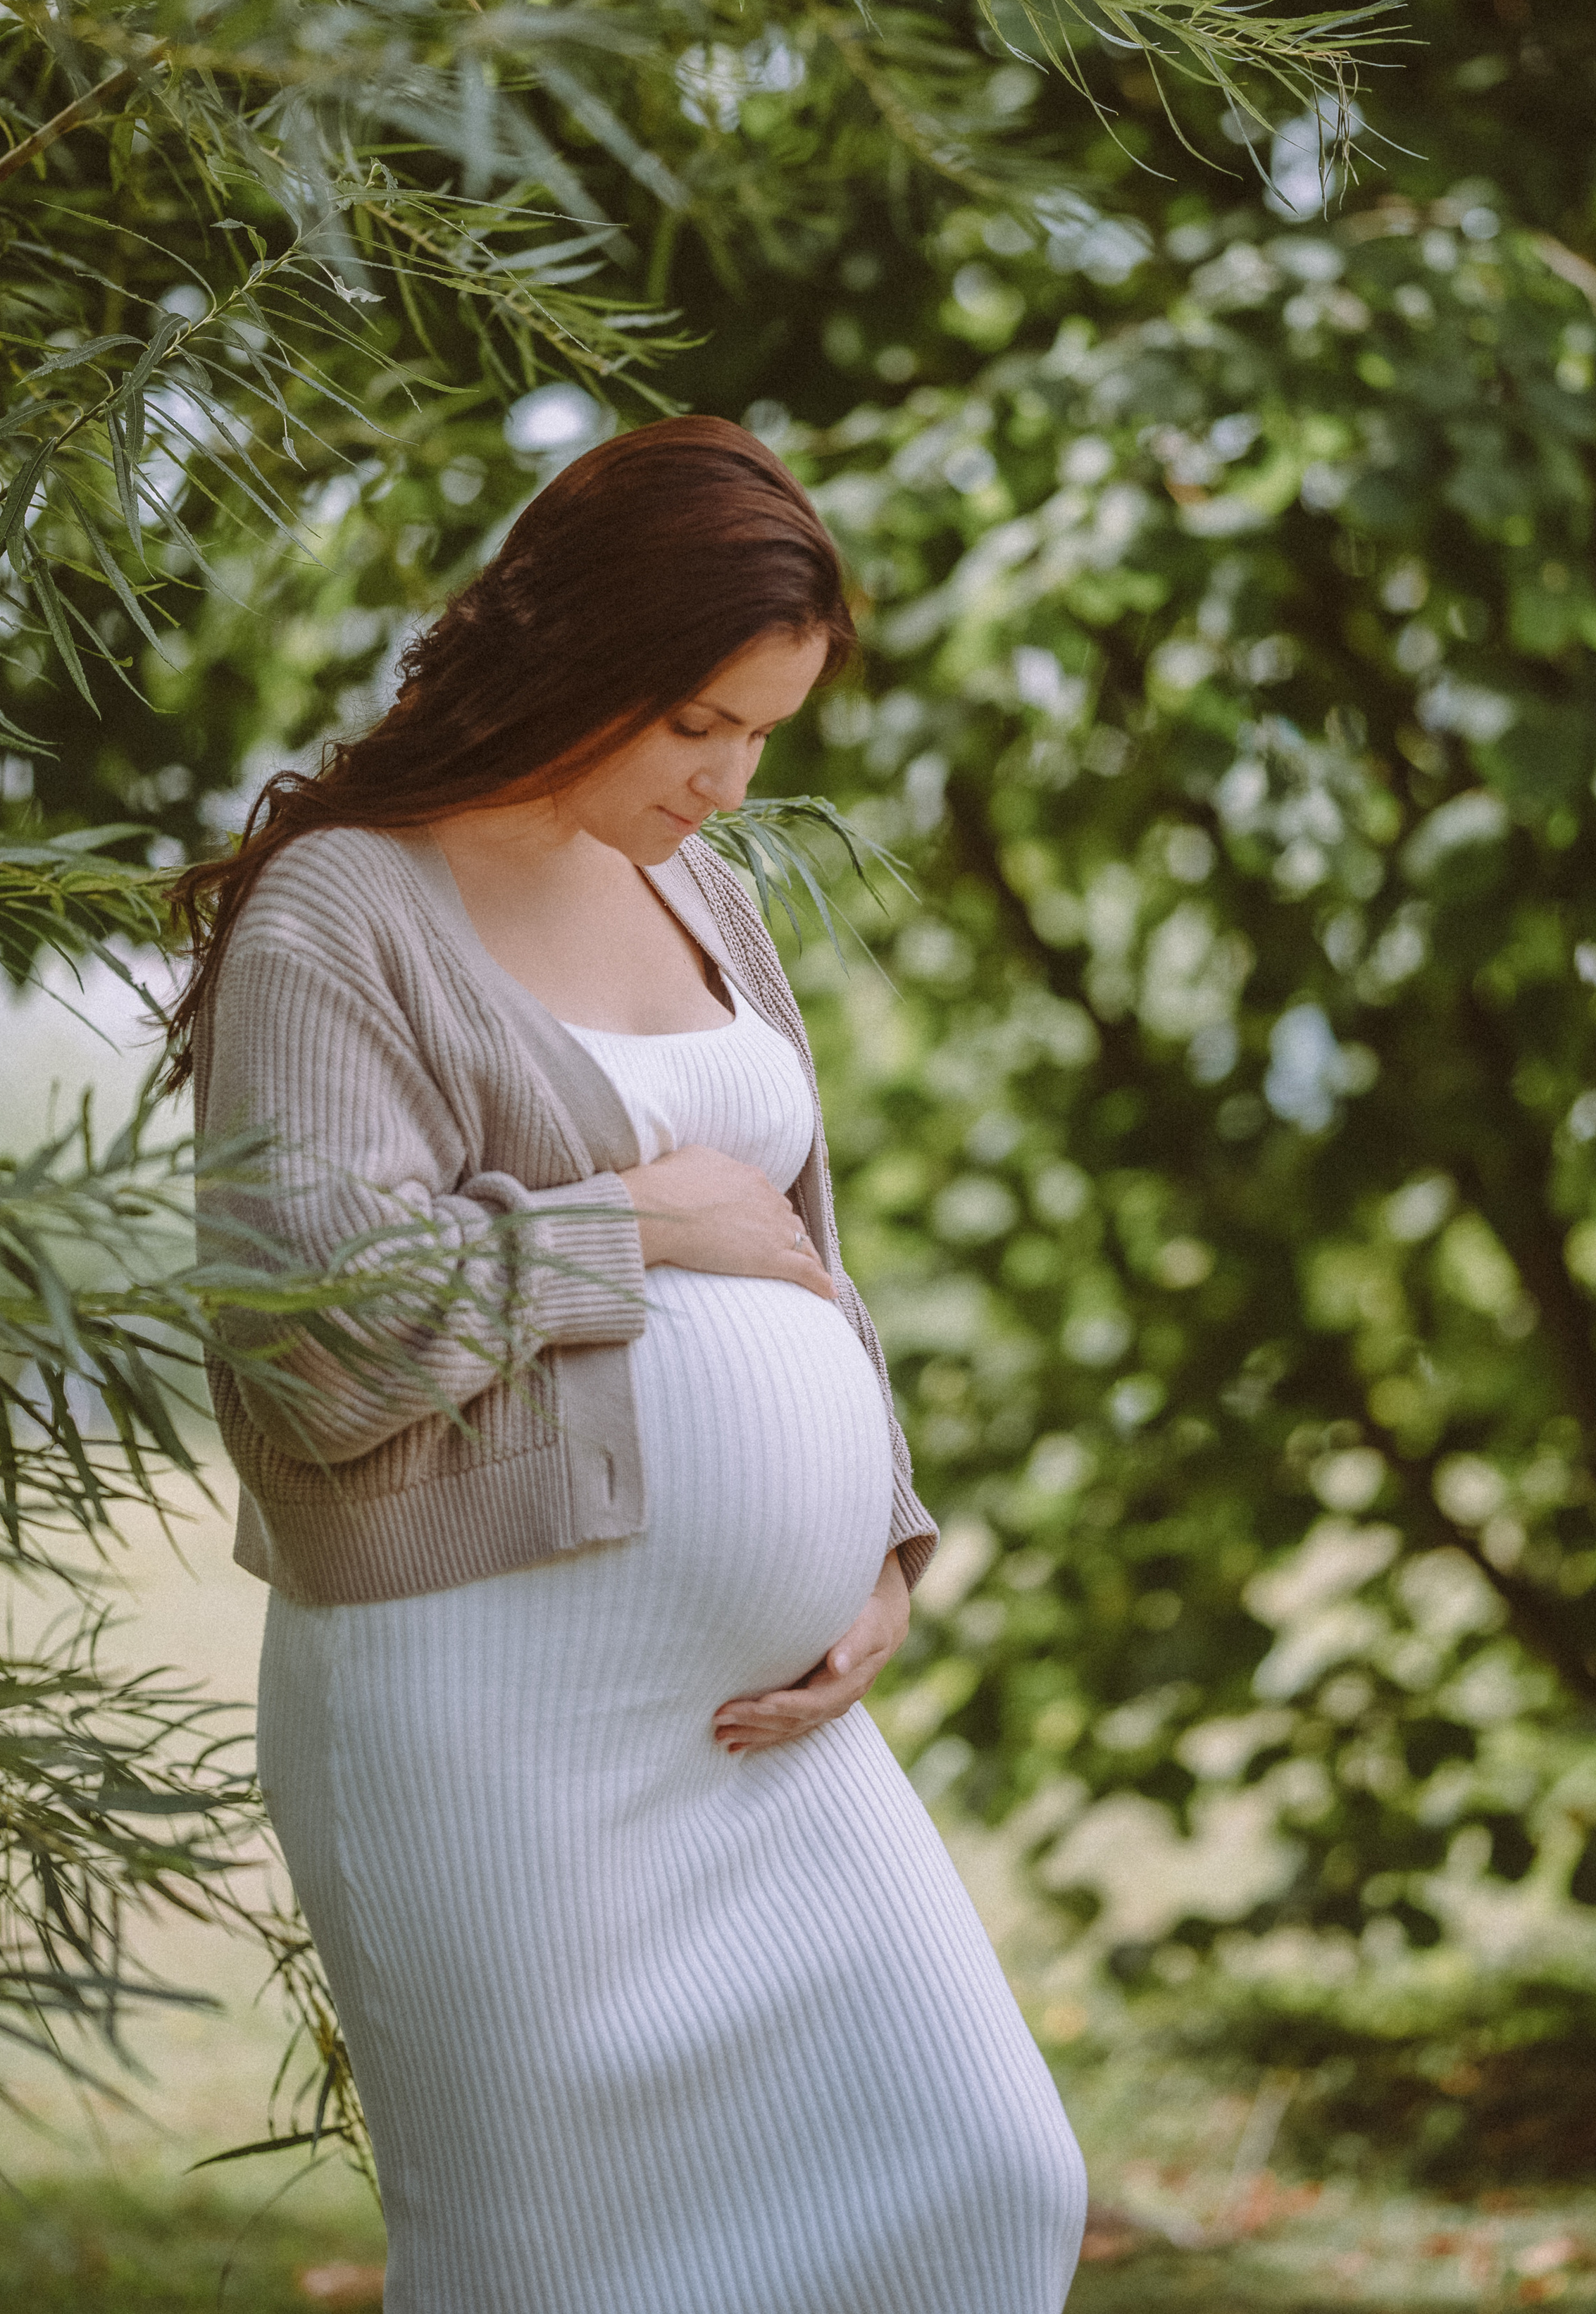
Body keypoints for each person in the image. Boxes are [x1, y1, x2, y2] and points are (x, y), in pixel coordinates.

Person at [166, 418, 1087, 2314]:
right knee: (558, 2274)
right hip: (481, 1711)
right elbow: (306, 1339)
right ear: (576, 653)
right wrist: (626, 1223)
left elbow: (800, 1249)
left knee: (989, 2178)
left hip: (759, 1731)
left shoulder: (702, 892)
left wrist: (880, 1536)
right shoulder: (346, 910)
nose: (730, 780)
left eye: (766, 733)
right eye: (696, 724)